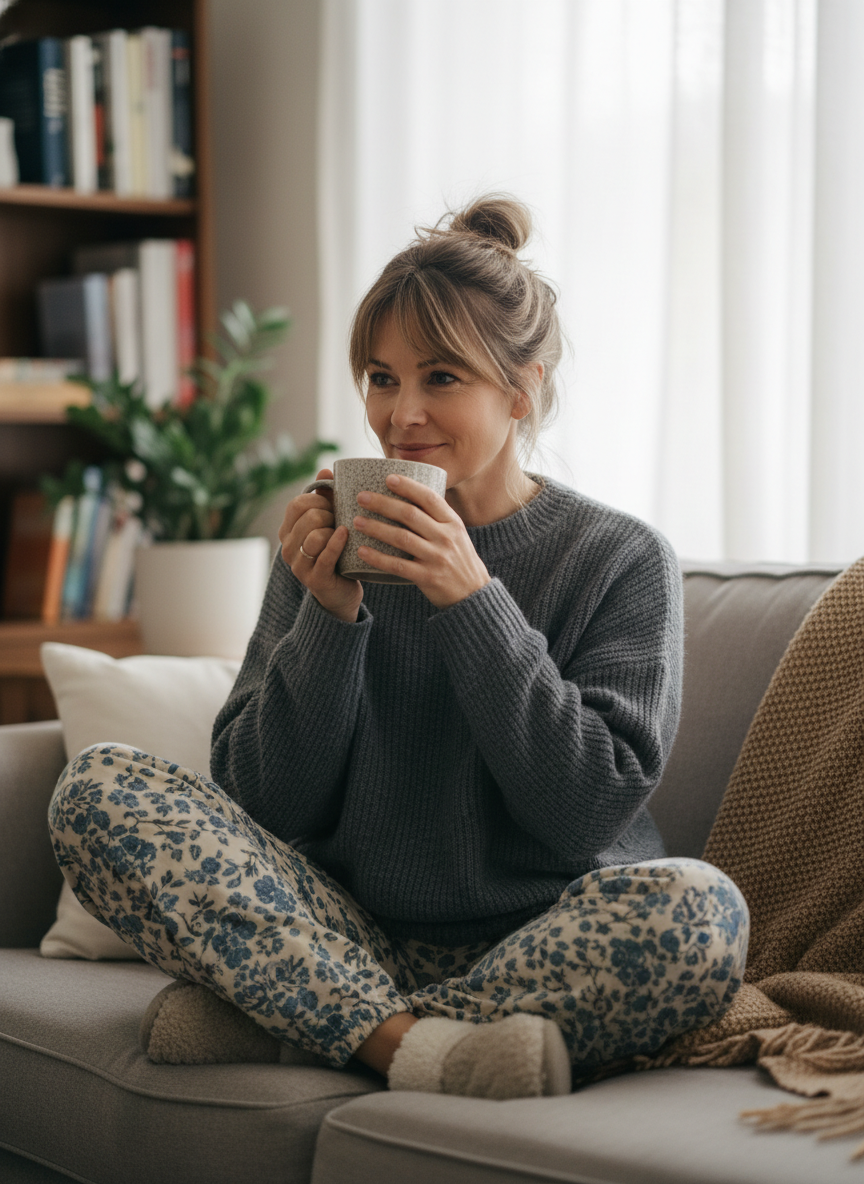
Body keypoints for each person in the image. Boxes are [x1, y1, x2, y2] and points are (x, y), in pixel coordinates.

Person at [48, 195, 748, 1099]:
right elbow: (264, 799)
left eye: (442, 379)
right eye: (381, 379)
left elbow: (584, 809)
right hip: (345, 927)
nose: (401, 413)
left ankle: (315, 1024)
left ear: (523, 387)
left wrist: (471, 600)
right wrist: (326, 617)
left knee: (701, 912)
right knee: (98, 788)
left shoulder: (620, 559)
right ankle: (413, 1042)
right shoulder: (328, 540)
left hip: (544, 934)